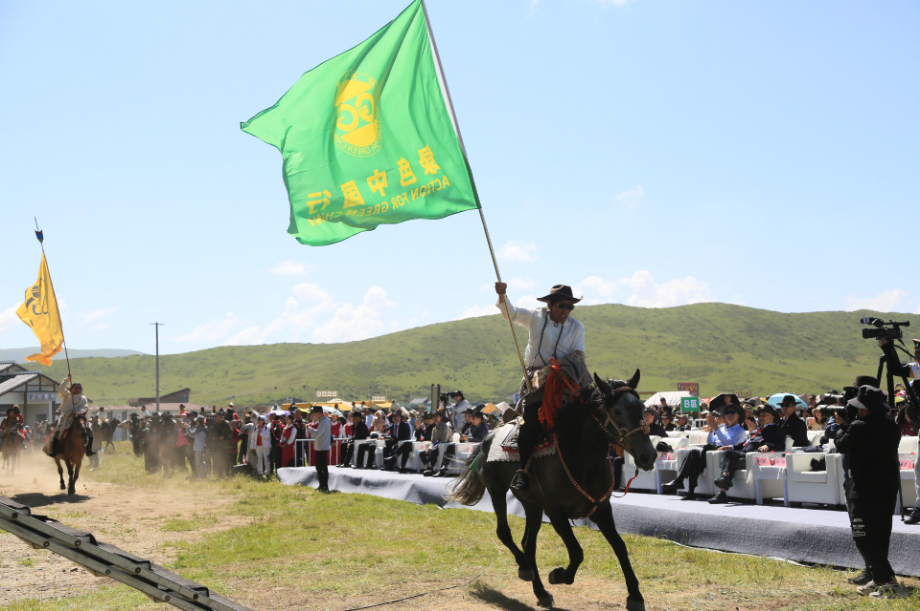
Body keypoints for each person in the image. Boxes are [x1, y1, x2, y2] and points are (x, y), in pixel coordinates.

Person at [496, 282, 586, 492]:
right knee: (530, 426)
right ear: (550, 304)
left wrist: (557, 369)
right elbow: (511, 313)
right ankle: (523, 472)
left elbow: (578, 356)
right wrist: (502, 296)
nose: (566, 311)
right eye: (562, 306)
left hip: (565, 381)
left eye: (570, 307)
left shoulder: (577, 327)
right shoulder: (535, 317)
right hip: (535, 384)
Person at [835, 385, 907, 598]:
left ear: (864, 408)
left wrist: (841, 427)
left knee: (862, 535)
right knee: (880, 534)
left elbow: (841, 445)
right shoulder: (891, 425)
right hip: (888, 488)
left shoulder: (858, 426)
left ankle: (888, 580)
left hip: (864, 488)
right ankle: (878, 578)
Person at [661, 399, 746, 500]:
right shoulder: (723, 428)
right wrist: (711, 429)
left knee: (694, 455)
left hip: (721, 454)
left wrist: (716, 428)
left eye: (732, 412)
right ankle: (689, 490)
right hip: (711, 451)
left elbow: (728, 443)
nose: (729, 415)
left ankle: (681, 482)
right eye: (727, 412)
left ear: (738, 416)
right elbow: (710, 440)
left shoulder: (739, 430)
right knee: (694, 456)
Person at [708, 405, 785, 504]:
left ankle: (724, 482)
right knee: (728, 454)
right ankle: (723, 489)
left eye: (764, 415)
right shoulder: (759, 429)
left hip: (754, 455)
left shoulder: (776, 430)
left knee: (729, 457)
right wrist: (732, 447)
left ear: (773, 417)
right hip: (745, 452)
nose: (761, 417)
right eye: (760, 415)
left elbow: (781, 445)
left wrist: (768, 446)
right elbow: (746, 443)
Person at [44, 375, 94, 457]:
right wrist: (67, 380)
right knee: (57, 433)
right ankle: (54, 451)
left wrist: (77, 412)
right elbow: (61, 390)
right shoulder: (67, 395)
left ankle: (89, 450)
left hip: (79, 418)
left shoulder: (83, 398)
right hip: (66, 418)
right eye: (75, 387)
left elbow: (85, 408)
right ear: (71, 388)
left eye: (79, 387)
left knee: (90, 432)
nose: (77, 388)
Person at [309, 406, 331, 493]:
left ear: (318, 413)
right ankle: (322, 485)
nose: (314, 416)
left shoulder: (324, 422)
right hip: (321, 447)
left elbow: (317, 434)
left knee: (321, 467)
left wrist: (308, 428)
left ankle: (324, 485)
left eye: (314, 414)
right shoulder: (324, 421)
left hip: (322, 447)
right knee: (320, 467)